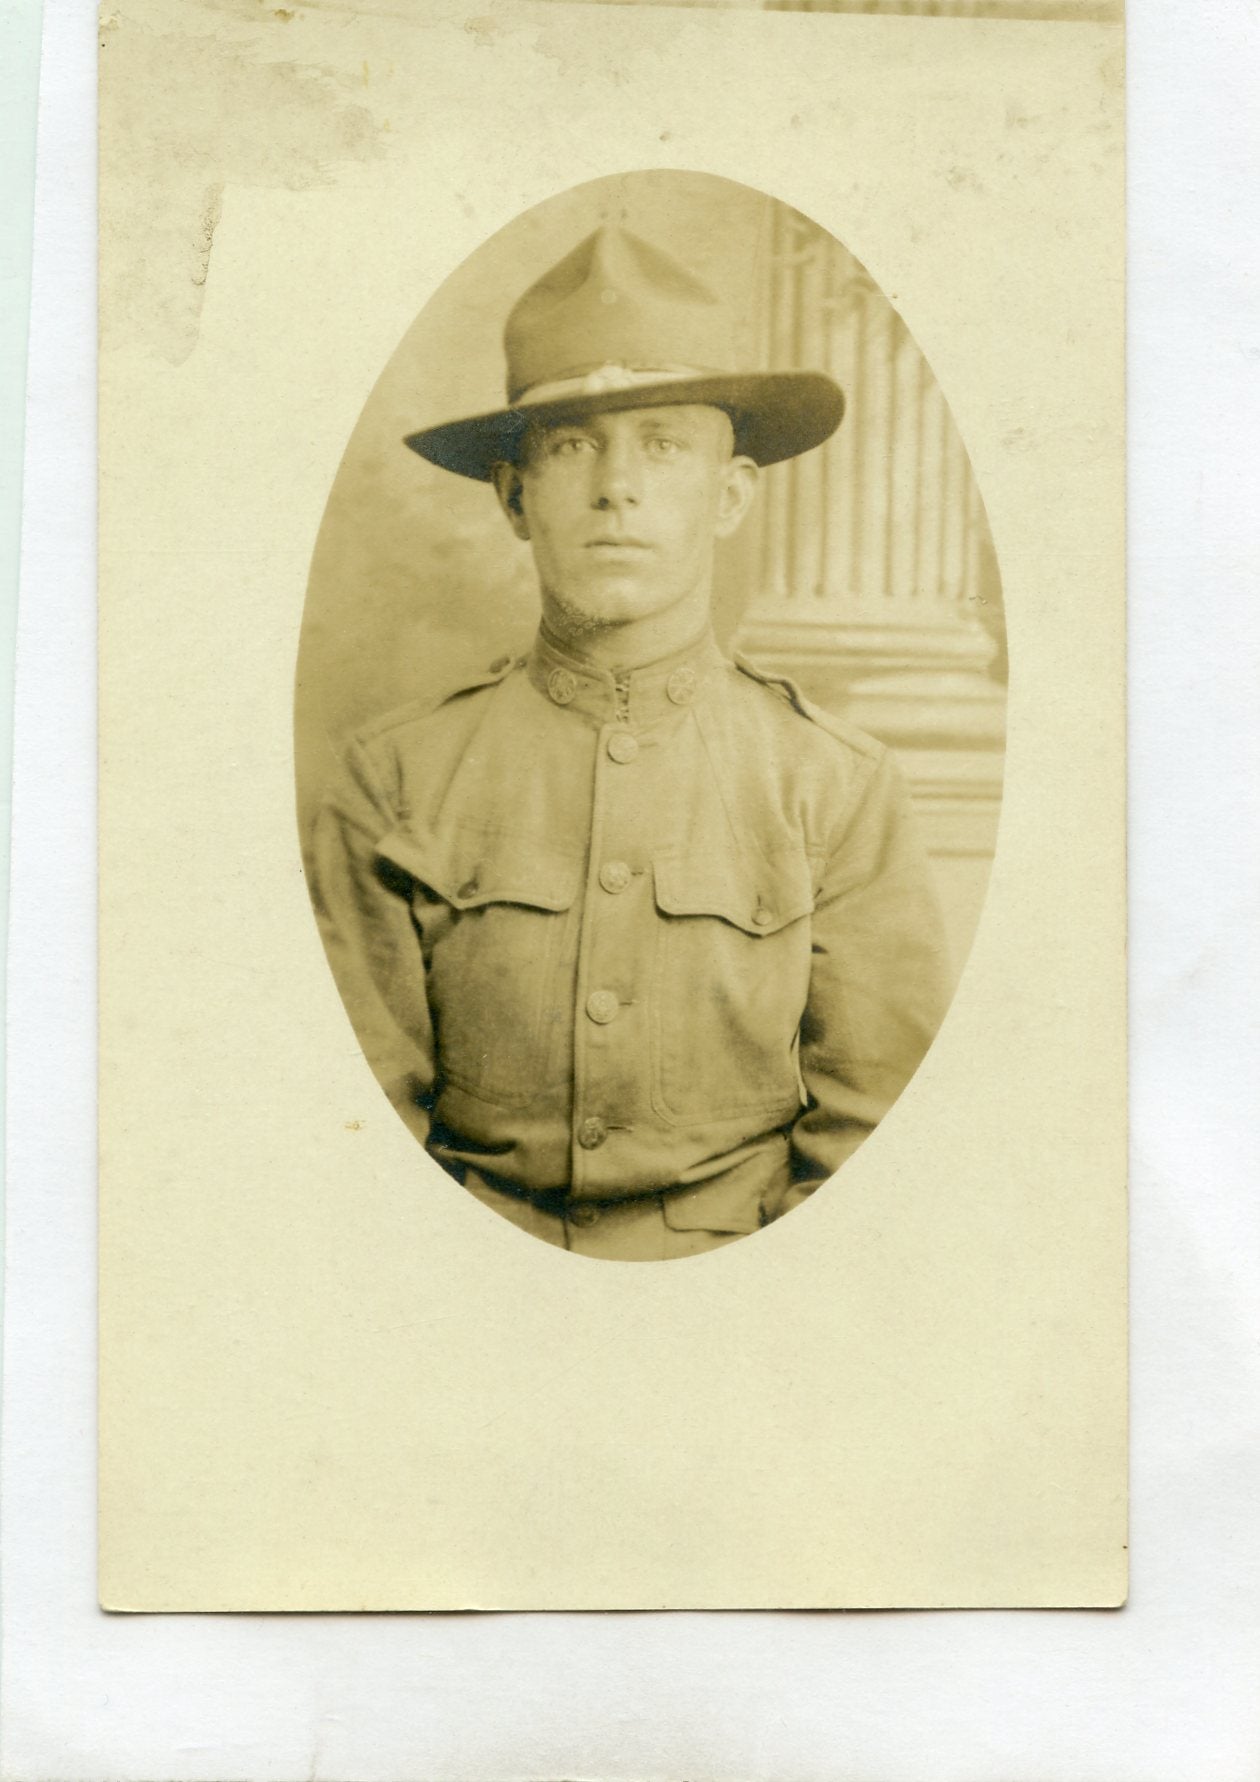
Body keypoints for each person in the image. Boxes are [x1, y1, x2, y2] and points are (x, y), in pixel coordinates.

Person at [308, 223, 950, 1261]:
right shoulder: (394, 781)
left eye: (663, 444)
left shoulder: (835, 786)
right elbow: (352, 1132)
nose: (618, 486)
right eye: (571, 446)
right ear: (517, 497)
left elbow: (879, 1143)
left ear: (730, 494)